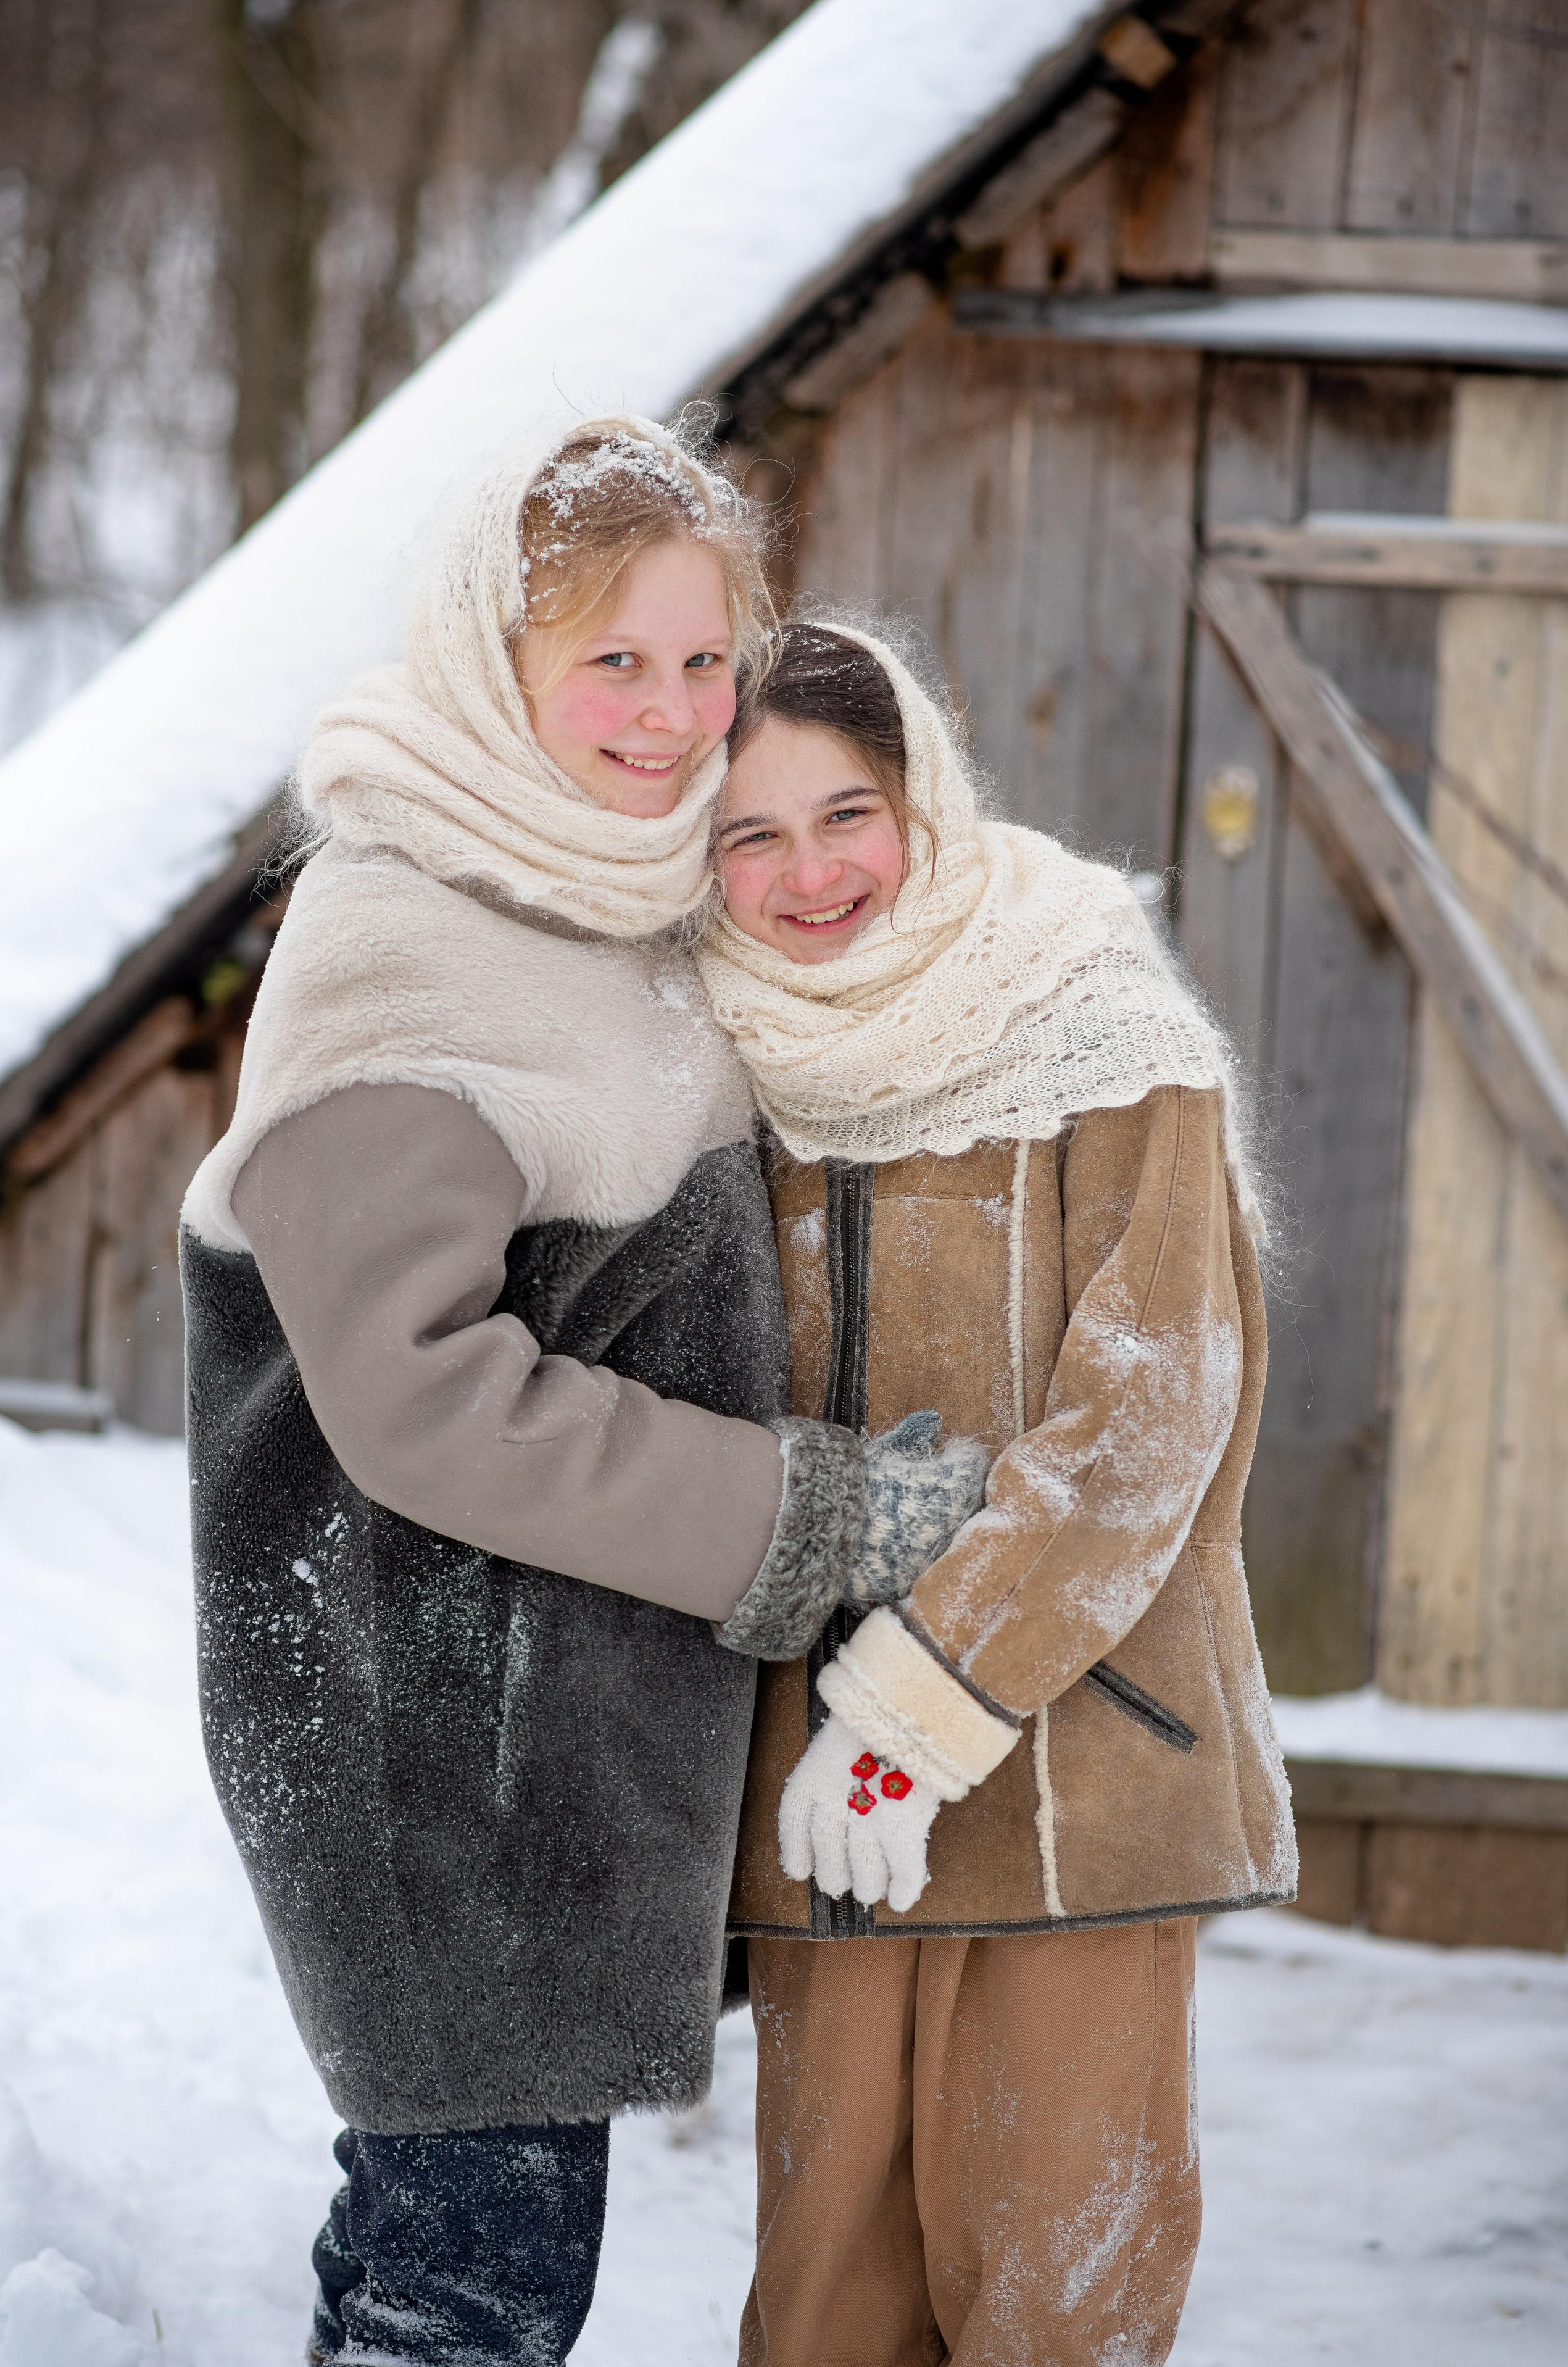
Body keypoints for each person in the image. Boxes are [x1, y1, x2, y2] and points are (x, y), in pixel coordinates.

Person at [177, 427, 987, 2366]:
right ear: (495, 655)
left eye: (707, 661)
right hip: (429, 1749)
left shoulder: (604, 899)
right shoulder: (406, 936)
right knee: (471, 2299)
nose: (673, 712)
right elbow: (421, 1400)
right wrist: (794, 1520)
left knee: (441, 2266)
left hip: (531, 1750)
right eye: (613, 660)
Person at [697, 619, 1298, 2367]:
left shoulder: (1099, 1022)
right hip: (828, 1823)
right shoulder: (718, 1062)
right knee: (819, 2320)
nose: (808, 871)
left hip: (1071, 1782)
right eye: (749, 832)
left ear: (926, 798)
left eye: (848, 810)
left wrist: (925, 1696)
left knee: (1055, 2307)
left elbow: (1151, 1409)